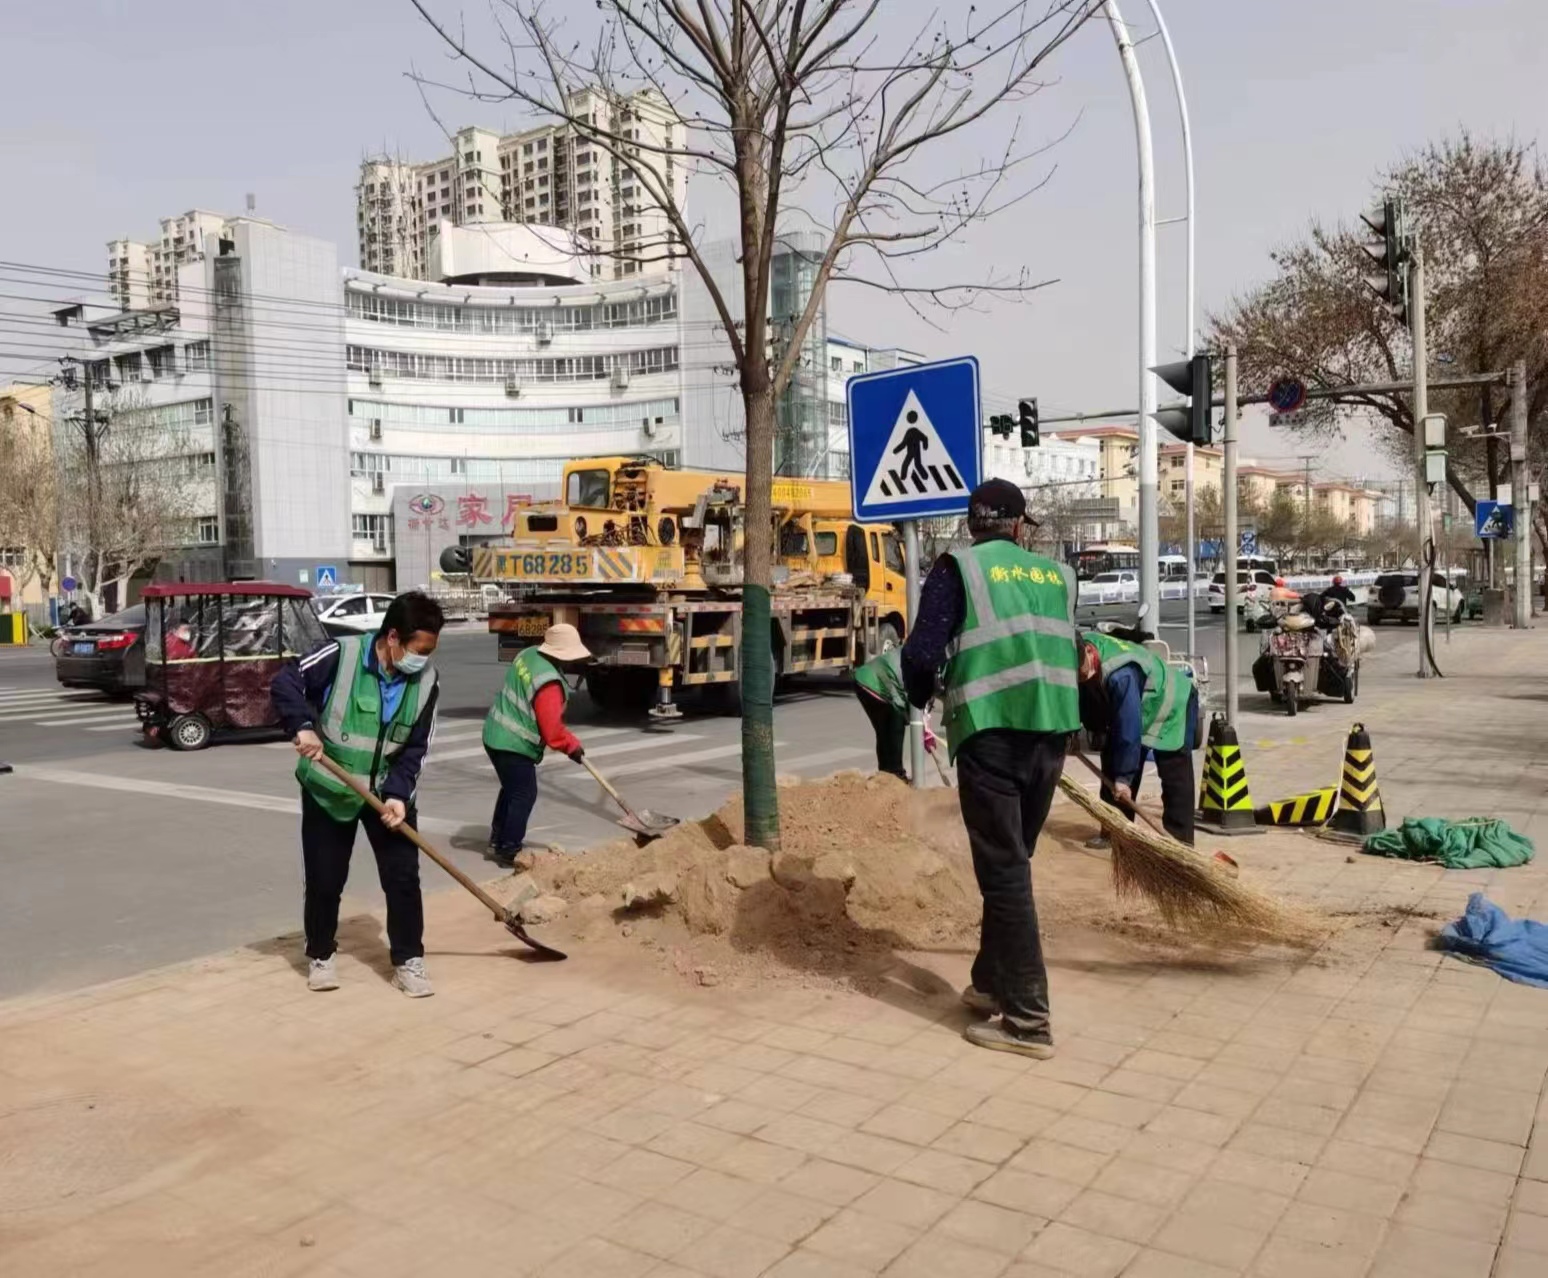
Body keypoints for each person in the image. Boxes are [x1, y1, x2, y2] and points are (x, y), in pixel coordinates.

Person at [901, 478, 1080, 1059]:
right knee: (1012, 864)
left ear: (972, 524)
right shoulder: (1058, 575)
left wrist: (920, 696)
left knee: (1004, 874)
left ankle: (1028, 1021)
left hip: (991, 734)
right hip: (1051, 734)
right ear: (1020, 526)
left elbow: (921, 653)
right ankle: (990, 982)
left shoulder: (958, 569)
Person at [271, 591, 444, 997]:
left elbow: (416, 747)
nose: (423, 659)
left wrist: (399, 795)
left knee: (403, 878)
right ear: (393, 637)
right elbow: (286, 681)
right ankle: (320, 954)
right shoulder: (341, 656)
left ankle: (408, 960)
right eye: (420, 650)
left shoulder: (427, 682)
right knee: (325, 878)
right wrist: (302, 727)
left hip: (386, 792)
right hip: (331, 789)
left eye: (430, 651)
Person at [483, 622, 590, 868]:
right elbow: (552, 731)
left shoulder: (529, 654)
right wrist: (572, 746)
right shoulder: (549, 683)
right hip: (513, 743)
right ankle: (509, 849)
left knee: (512, 789)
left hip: (494, 733)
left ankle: (498, 839)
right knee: (524, 793)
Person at [1077, 633, 1199, 847]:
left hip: (1173, 703)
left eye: (1082, 671)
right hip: (1143, 703)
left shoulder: (1121, 676)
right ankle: (1116, 832)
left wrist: (1124, 779)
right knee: (1113, 760)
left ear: (1088, 652)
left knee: (1174, 774)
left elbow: (1128, 731)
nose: (1080, 676)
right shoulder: (1079, 645)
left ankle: (1179, 841)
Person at [853, 647, 910, 781]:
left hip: (863, 678)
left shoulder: (915, 652)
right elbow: (901, 702)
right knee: (896, 725)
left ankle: (885, 774)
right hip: (873, 683)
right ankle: (896, 773)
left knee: (884, 731)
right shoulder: (916, 664)